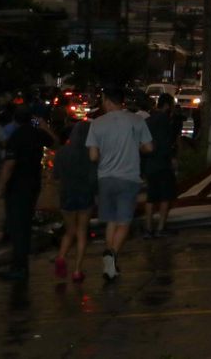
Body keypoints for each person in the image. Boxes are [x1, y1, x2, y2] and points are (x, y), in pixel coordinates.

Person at [86, 87, 152, 281]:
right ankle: (112, 254)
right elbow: (149, 147)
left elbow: (93, 156)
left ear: (107, 101)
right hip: (128, 178)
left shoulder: (96, 123)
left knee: (111, 220)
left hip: (105, 178)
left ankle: (110, 260)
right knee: (124, 222)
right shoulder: (136, 120)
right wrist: (135, 147)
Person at [0, 106, 56, 281]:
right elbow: (55, 142)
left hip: (17, 187)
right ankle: (20, 266)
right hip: (33, 184)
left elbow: (9, 165)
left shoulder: (17, 136)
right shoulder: (36, 134)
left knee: (18, 229)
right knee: (24, 227)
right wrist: (43, 126)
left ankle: (19, 267)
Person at [53, 120, 96, 282]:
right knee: (82, 232)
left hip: (67, 195)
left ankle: (61, 257)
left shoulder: (62, 152)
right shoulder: (90, 153)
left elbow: (56, 176)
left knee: (69, 231)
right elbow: (94, 176)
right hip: (85, 194)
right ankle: (77, 270)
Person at [141, 95, 179, 239]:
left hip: (150, 163)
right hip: (162, 163)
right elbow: (166, 143)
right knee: (165, 196)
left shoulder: (148, 120)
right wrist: (172, 158)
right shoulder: (164, 120)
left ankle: (148, 228)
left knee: (151, 197)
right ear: (168, 105)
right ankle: (160, 228)